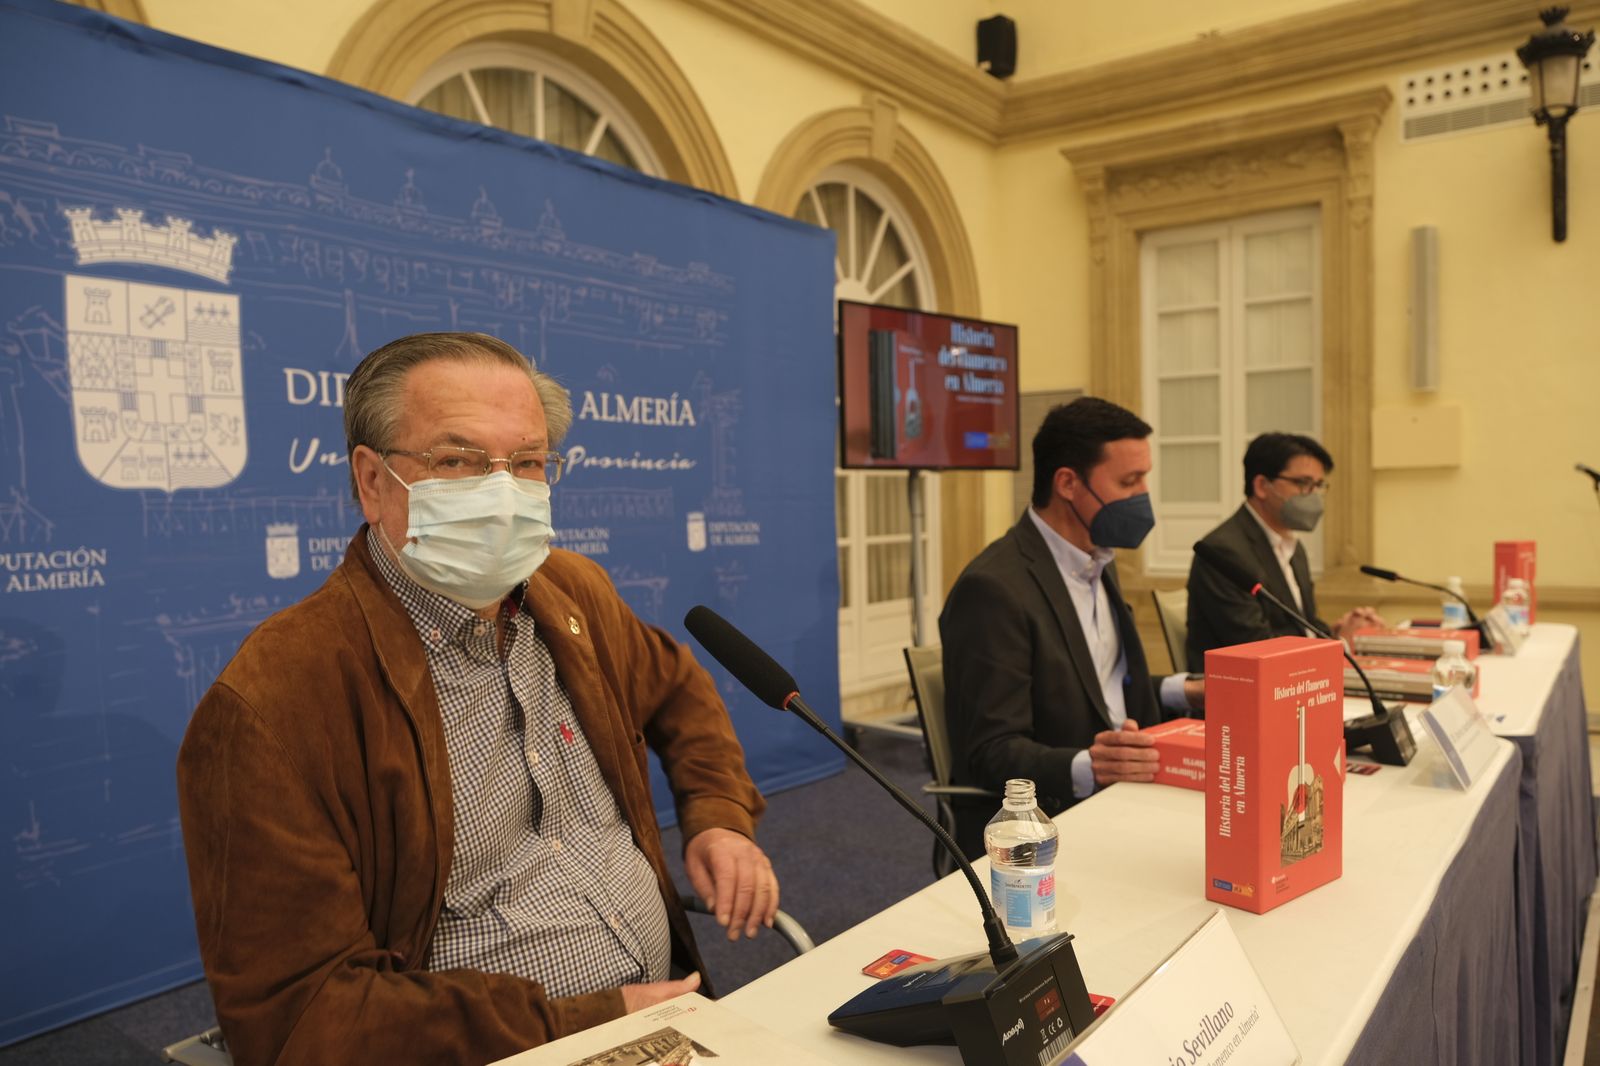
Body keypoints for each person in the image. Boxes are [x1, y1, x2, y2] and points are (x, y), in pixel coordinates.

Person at [177, 332, 779, 1065]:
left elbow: (680, 688)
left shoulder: (570, 592)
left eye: (527, 463)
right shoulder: (276, 700)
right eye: (457, 461)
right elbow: (304, 1017)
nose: (503, 491)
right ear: (372, 482)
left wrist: (719, 818)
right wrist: (577, 1023)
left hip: (668, 1021)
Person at [939, 397, 1201, 861]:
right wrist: (1090, 765)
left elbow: (1096, 688)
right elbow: (989, 752)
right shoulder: (993, 589)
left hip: (1131, 795)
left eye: (1144, 479)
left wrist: (1185, 689)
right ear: (1067, 483)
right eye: (1129, 481)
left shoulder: (1097, 559)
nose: (1143, 496)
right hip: (1057, 823)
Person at [1185, 432, 1383, 671]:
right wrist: (1341, 646)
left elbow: (1302, 627)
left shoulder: (1292, 546)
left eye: (1319, 485)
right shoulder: (1224, 552)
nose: (1313, 495)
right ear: (1261, 486)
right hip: (1243, 695)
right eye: (1302, 483)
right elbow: (1257, 648)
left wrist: (1338, 630)